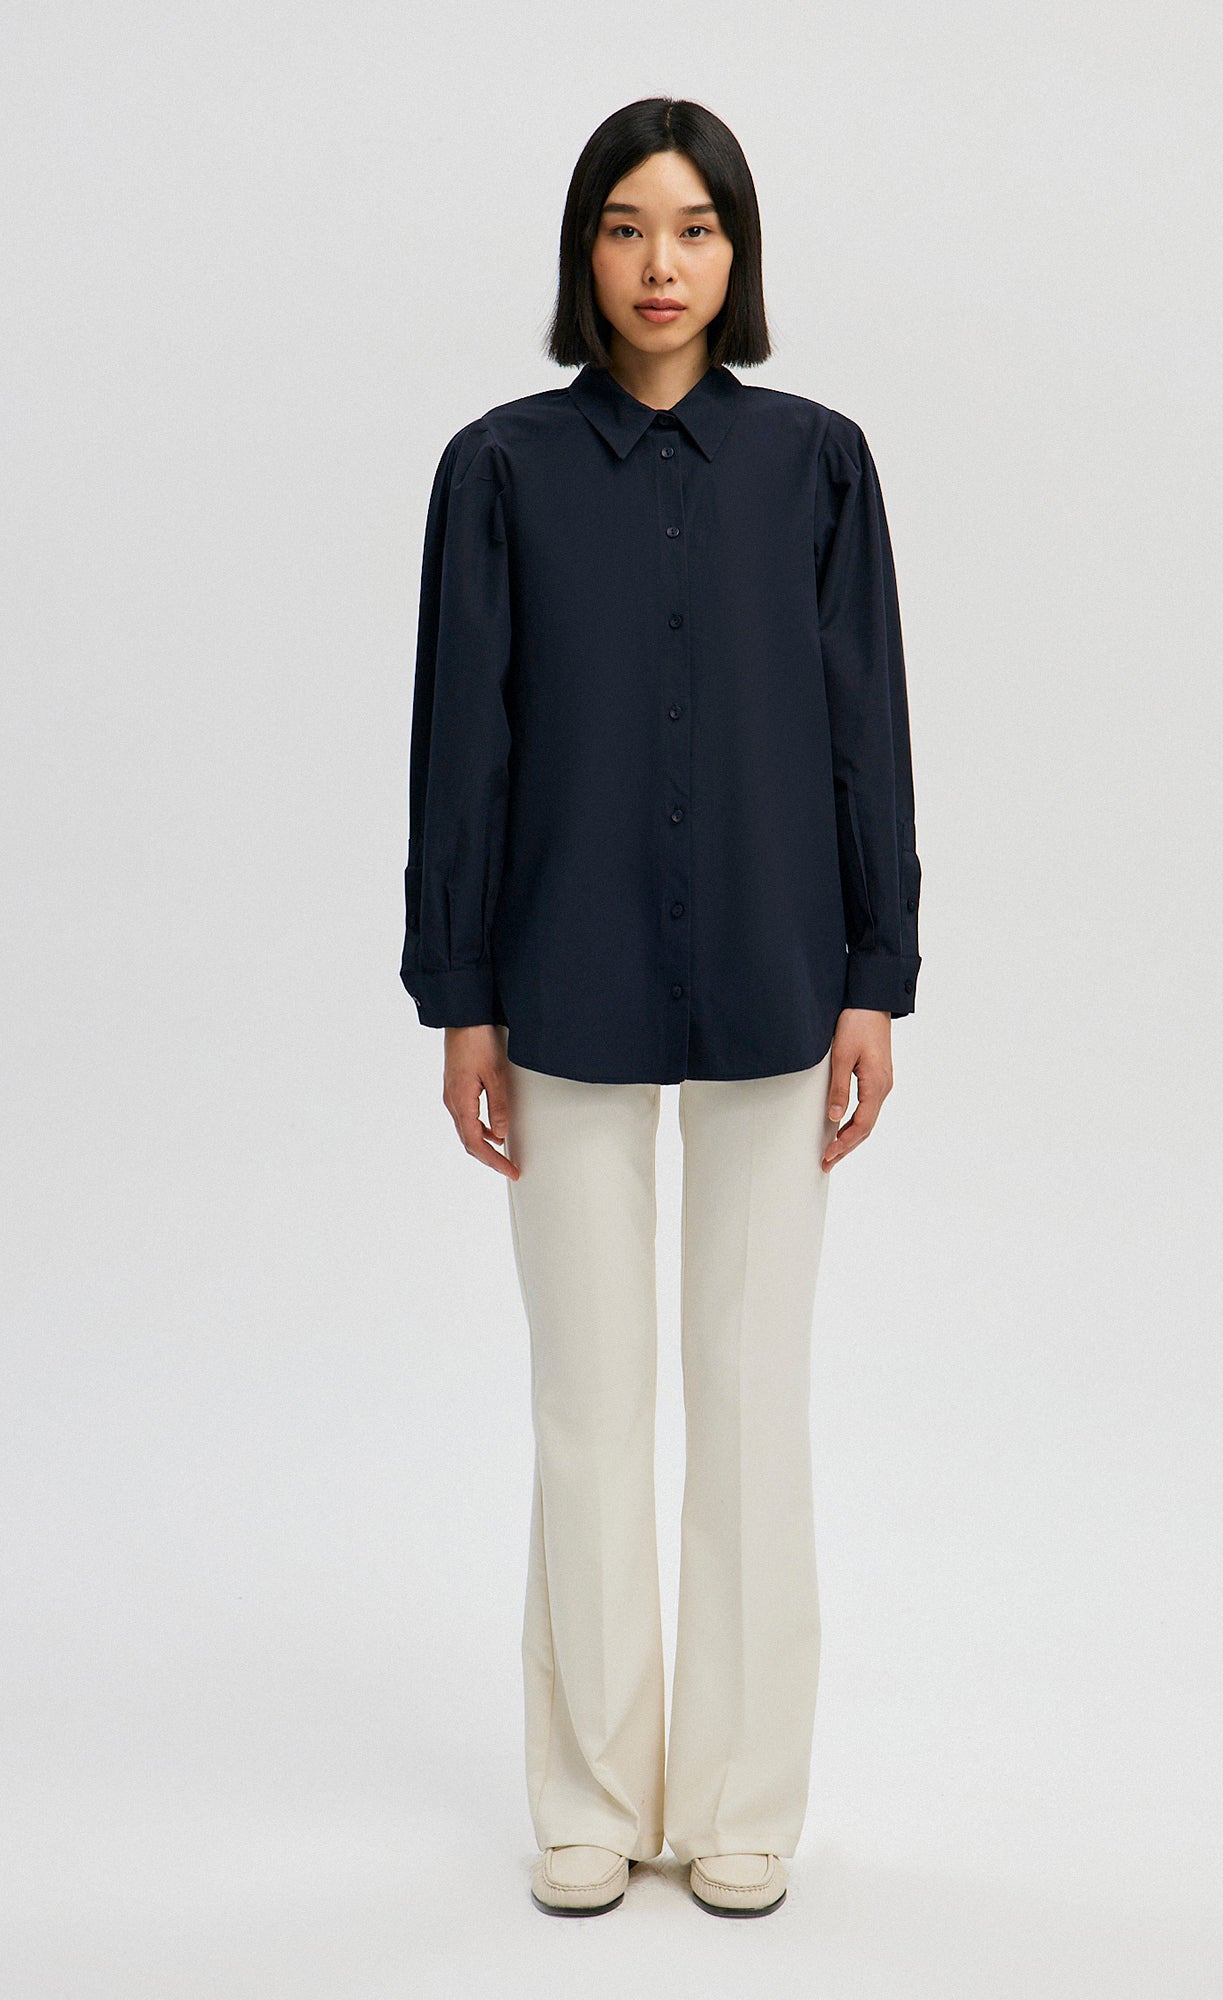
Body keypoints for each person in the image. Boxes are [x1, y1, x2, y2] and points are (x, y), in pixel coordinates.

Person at [399, 96, 922, 1919]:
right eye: (625, 227)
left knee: (753, 1399)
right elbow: (461, 747)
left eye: (693, 228)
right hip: (562, 979)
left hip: (781, 977)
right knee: (588, 1406)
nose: (659, 264)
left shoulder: (818, 466)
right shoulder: (499, 470)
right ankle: (591, 1794)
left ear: (736, 254)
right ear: (584, 253)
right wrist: (460, 995)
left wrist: (876, 977)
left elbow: (866, 732)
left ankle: (742, 1799)